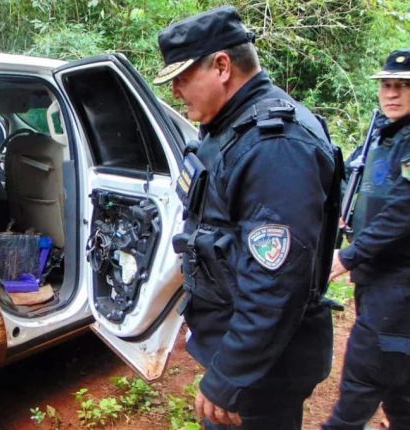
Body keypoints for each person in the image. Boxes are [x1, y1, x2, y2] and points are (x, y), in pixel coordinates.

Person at [156, 6, 342, 429]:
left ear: (222, 66)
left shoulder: (275, 146)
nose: (177, 92)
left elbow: (277, 284)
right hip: (250, 356)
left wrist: (230, 375)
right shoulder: (232, 126)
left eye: (183, 78)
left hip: (264, 370)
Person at [323, 49, 410, 430]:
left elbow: (404, 210)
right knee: (398, 382)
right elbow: (353, 179)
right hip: (377, 281)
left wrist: (348, 256)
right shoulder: (384, 133)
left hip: (399, 283)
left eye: (404, 86)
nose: (392, 93)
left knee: (364, 376)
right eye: (387, 85)